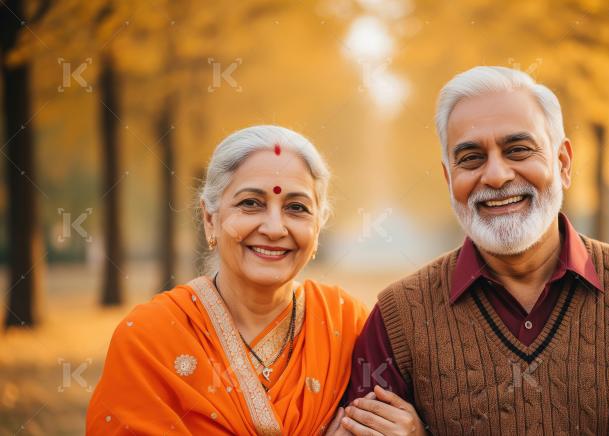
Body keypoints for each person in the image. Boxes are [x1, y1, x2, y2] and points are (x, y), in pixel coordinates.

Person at [344, 66, 609, 435]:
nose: (496, 176)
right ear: (449, 178)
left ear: (562, 163)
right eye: (471, 158)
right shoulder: (396, 319)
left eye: (518, 150)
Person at [87, 125, 416, 435]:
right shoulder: (149, 340)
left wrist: (415, 431)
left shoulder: (347, 324)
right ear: (209, 218)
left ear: (318, 225)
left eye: (297, 207)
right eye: (250, 203)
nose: (274, 228)